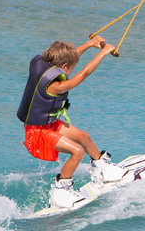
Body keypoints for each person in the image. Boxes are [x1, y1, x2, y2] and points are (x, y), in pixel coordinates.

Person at [16, 36, 127, 209]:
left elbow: (69, 57)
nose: (72, 69)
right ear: (65, 67)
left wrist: (90, 44)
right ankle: (61, 189)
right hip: (37, 134)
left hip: (47, 125)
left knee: (84, 136)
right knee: (77, 151)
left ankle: (101, 169)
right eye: (71, 67)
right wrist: (103, 53)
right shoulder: (56, 86)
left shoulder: (43, 63)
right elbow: (84, 74)